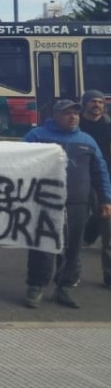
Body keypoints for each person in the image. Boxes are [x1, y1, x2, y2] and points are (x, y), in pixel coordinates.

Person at [23, 99, 111, 309]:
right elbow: (18, 163)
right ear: (55, 116)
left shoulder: (87, 140)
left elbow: (100, 172)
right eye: (67, 114)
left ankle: (65, 287)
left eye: (76, 114)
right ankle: (36, 286)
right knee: (42, 245)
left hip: (77, 203)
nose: (73, 117)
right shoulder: (36, 136)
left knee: (73, 247)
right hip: (43, 202)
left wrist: (106, 199)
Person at [78, 90, 111, 288]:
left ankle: (108, 274)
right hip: (79, 175)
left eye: (100, 101)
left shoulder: (108, 125)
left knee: (106, 219)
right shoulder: (76, 124)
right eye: (92, 101)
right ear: (84, 104)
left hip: (103, 175)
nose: (97, 105)